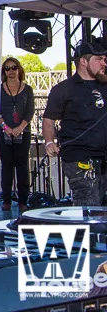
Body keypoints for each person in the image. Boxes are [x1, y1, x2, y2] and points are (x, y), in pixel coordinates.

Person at [43, 37, 107, 206]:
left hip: (104, 155)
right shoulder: (64, 89)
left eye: (104, 59)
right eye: (99, 59)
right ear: (83, 62)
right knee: (88, 204)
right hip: (79, 157)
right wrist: (49, 141)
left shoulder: (105, 85)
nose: (104, 63)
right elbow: (49, 119)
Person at [0, 56, 34, 212]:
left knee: (22, 166)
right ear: (4, 71)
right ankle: (6, 199)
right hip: (5, 131)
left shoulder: (27, 89)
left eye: (14, 67)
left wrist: (20, 128)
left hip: (23, 131)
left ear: (19, 69)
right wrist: (6, 127)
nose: (11, 71)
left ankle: (23, 200)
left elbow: (30, 111)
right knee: (6, 166)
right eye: (7, 68)